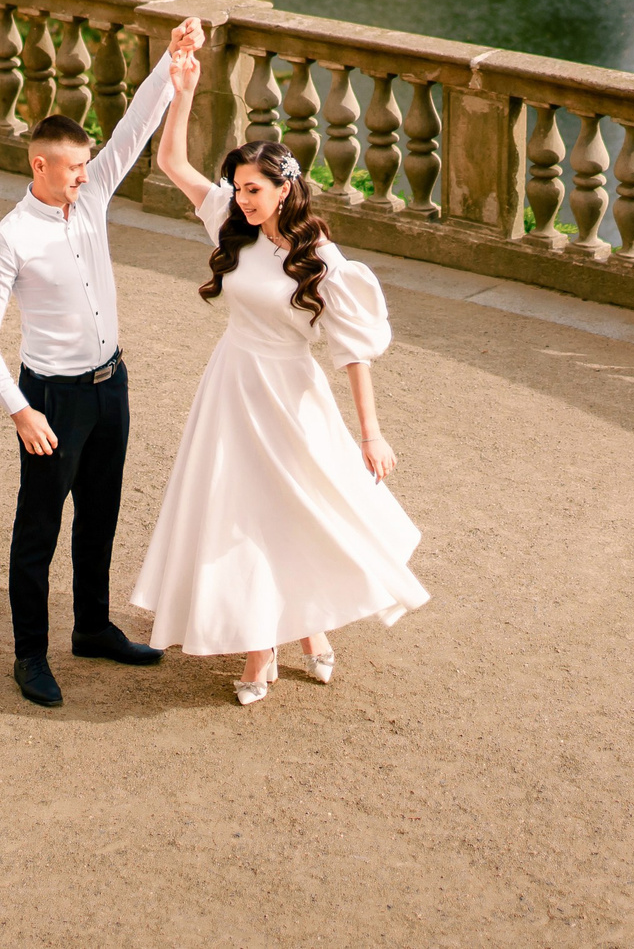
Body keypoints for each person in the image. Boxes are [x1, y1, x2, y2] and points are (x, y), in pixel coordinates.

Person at [131, 48, 429, 705]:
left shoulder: (321, 257)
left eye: (254, 189)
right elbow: (170, 163)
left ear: (285, 188)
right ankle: (268, 644)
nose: (242, 199)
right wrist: (184, 90)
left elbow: (352, 349)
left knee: (297, 509)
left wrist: (370, 433)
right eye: (237, 188)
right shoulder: (232, 227)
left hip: (291, 396)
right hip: (231, 387)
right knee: (240, 513)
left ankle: (305, 628)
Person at [0, 15, 208, 707]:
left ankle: (94, 626)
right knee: (38, 531)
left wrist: (172, 59)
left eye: (84, 165)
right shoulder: (8, 238)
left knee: (101, 511)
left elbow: (133, 126)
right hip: (52, 399)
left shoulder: (93, 194)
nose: (82, 177)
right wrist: (19, 409)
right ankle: (30, 656)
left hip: (110, 385)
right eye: (71, 168)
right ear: (37, 164)